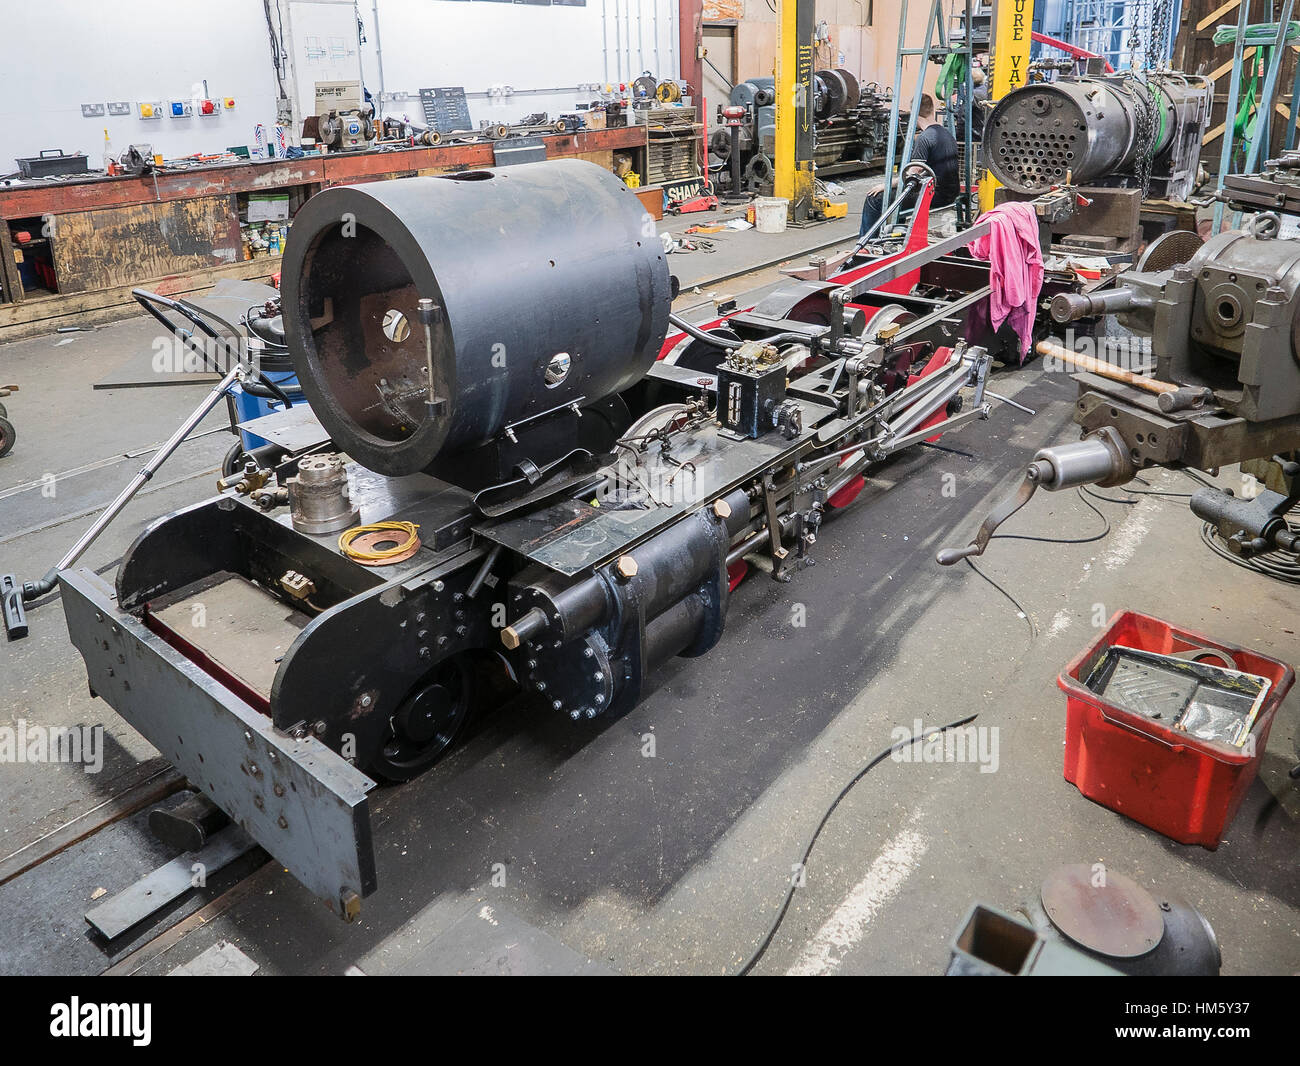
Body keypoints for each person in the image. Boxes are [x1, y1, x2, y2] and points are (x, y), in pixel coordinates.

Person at [859, 92, 960, 239]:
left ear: (913, 113)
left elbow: (910, 177)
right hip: (951, 193)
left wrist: (885, 186)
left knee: (875, 199)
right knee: (897, 196)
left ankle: (867, 242)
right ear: (932, 110)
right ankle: (894, 235)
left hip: (935, 196)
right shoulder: (947, 133)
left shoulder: (925, 138)